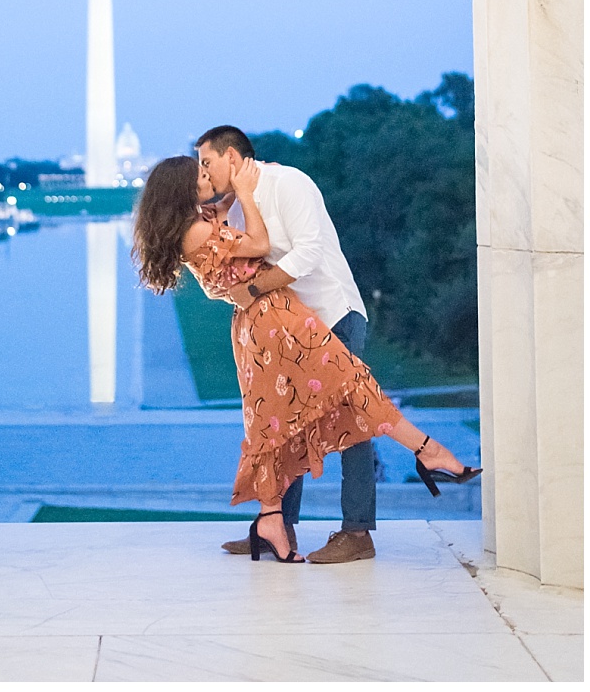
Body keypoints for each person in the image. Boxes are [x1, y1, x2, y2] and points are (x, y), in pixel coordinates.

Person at [131, 153, 479, 564]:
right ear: (183, 189)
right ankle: (426, 452)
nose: (209, 178)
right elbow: (258, 244)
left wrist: (226, 205)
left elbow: (223, 259)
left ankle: (274, 520)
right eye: (201, 175)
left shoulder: (196, 223)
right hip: (274, 321)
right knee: (346, 388)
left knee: (284, 418)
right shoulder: (195, 230)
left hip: (266, 322)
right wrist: (245, 194)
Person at [194, 125, 382, 565]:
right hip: (292, 331)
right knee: (284, 425)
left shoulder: (289, 183)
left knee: (352, 427)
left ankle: (357, 532)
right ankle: (281, 530)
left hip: (335, 317)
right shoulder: (238, 210)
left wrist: (255, 290)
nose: (202, 172)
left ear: (233, 158)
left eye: (207, 162)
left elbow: (308, 254)